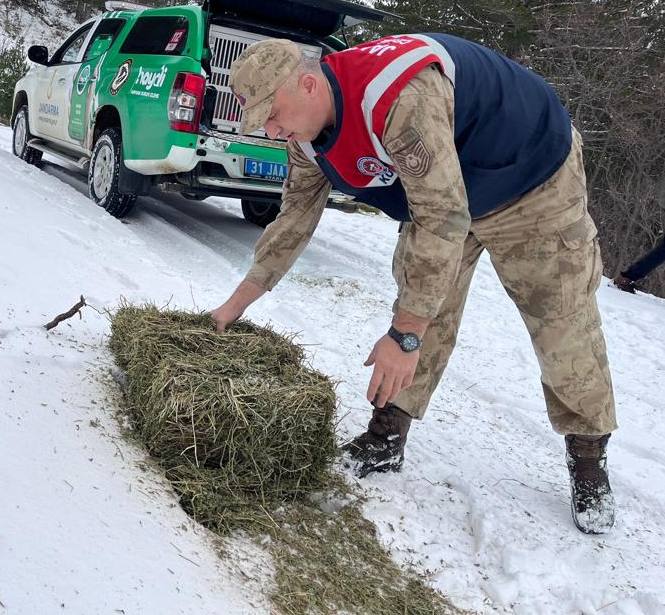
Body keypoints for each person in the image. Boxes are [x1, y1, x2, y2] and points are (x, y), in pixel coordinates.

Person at [210, 34, 617, 534]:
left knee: (560, 319)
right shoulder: (304, 140)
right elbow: (292, 221)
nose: (271, 131)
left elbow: (442, 216)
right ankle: (387, 434)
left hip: (531, 180)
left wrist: (405, 336)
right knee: (424, 299)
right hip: (447, 193)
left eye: (272, 114)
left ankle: (589, 453)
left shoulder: (397, 100)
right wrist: (231, 308)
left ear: (308, 84)